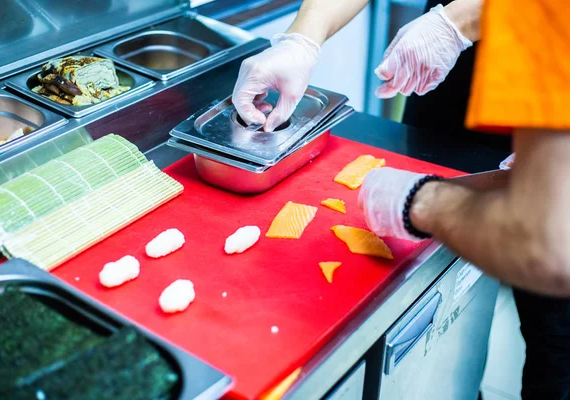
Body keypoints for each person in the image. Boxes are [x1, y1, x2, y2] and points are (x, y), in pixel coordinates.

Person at [232, 0, 570, 398]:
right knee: (427, 284)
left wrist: (418, 202)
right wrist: (302, 39)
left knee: (557, 339)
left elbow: (548, 246)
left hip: (546, 65)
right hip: (457, 85)